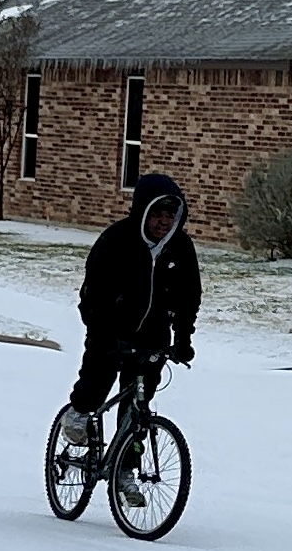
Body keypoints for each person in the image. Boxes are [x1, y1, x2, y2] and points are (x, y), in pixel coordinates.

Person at [62, 171, 199, 441]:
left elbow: (188, 297)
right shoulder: (116, 240)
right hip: (111, 330)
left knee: (137, 410)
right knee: (96, 381)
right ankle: (79, 413)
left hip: (153, 337)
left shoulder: (181, 247)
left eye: (170, 215)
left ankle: (127, 459)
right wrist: (102, 331)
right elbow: (93, 293)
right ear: (143, 211)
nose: (164, 222)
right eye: (157, 214)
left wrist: (183, 340)